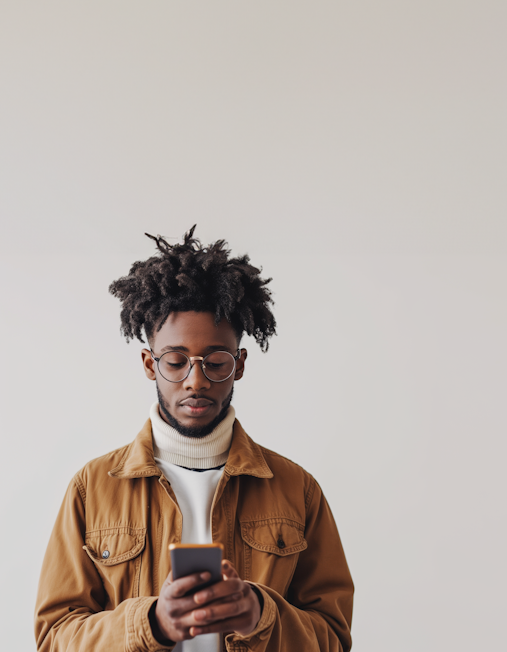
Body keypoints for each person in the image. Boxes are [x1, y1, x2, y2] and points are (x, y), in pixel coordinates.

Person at [34, 227, 355, 652]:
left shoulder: (298, 490)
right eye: (176, 361)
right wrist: (152, 624)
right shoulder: (92, 489)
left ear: (239, 364)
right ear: (150, 364)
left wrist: (261, 615)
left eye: (216, 361)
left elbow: (333, 638)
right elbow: (55, 638)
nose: (196, 381)